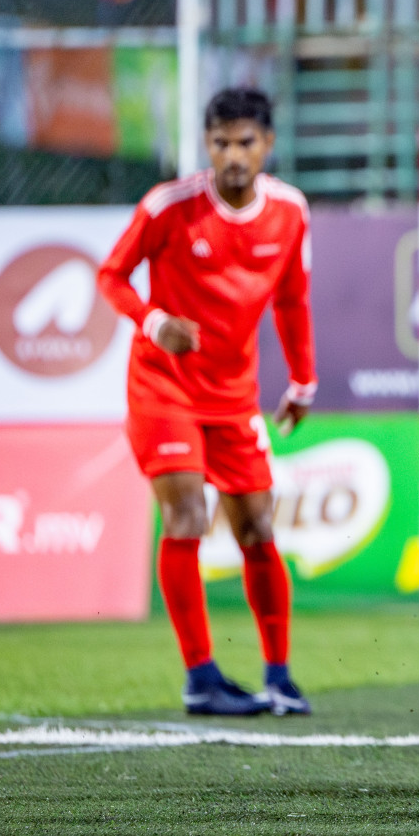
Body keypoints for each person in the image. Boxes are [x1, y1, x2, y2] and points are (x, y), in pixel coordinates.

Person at [98, 88, 316, 718]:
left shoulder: (290, 212)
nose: (232, 155)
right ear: (207, 145)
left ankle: (278, 674)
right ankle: (201, 676)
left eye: (245, 141)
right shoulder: (170, 206)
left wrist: (303, 380)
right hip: (163, 387)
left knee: (258, 530)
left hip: (233, 396)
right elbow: (110, 275)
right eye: (220, 142)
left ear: (267, 145)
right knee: (188, 516)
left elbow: (293, 300)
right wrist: (152, 320)